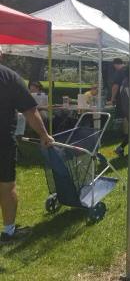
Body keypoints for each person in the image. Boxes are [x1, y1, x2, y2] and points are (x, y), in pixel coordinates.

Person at [0, 63, 54, 242]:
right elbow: (30, 111)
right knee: (7, 186)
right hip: (3, 142)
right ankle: (9, 231)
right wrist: (44, 136)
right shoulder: (9, 77)